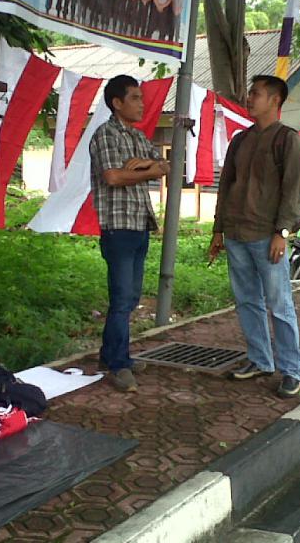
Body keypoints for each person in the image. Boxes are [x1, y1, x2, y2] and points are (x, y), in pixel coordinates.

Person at [209, 75, 300, 398]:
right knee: (247, 301)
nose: (250, 98)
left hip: (268, 236)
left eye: (256, 94)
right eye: (250, 93)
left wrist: (282, 231)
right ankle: (260, 360)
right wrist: (217, 229)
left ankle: (292, 370)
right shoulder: (240, 140)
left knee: (280, 305)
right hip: (237, 234)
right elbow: (226, 185)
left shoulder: (287, 139)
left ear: (275, 101)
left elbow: (295, 189)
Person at [90, 75, 170, 392]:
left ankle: (109, 355)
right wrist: (145, 170)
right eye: (135, 98)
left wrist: (146, 166)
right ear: (117, 103)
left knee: (131, 297)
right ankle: (120, 365)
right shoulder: (105, 135)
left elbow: (164, 164)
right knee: (122, 299)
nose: (142, 103)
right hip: (118, 229)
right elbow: (112, 176)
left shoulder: (138, 138)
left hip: (140, 225)